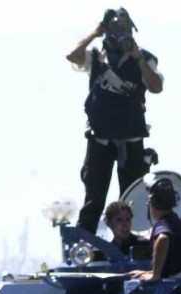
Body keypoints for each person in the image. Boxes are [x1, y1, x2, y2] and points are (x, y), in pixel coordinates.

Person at [67, 8, 164, 234]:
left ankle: (134, 241)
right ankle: (86, 243)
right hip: (100, 137)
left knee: (134, 197)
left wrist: (137, 57)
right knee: (94, 197)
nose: (121, 34)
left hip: (131, 135)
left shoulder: (145, 58)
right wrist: (96, 32)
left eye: (124, 28)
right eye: (116, 29)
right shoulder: (96, 56)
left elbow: (156, 87)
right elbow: (72, 56)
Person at [133, 177, 181, 281]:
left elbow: (163, 238)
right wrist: (147, 272)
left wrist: (155, 275)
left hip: (176, 287)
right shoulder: (177, 223)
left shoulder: (163, 225)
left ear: (151, 202)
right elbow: (174, 267)